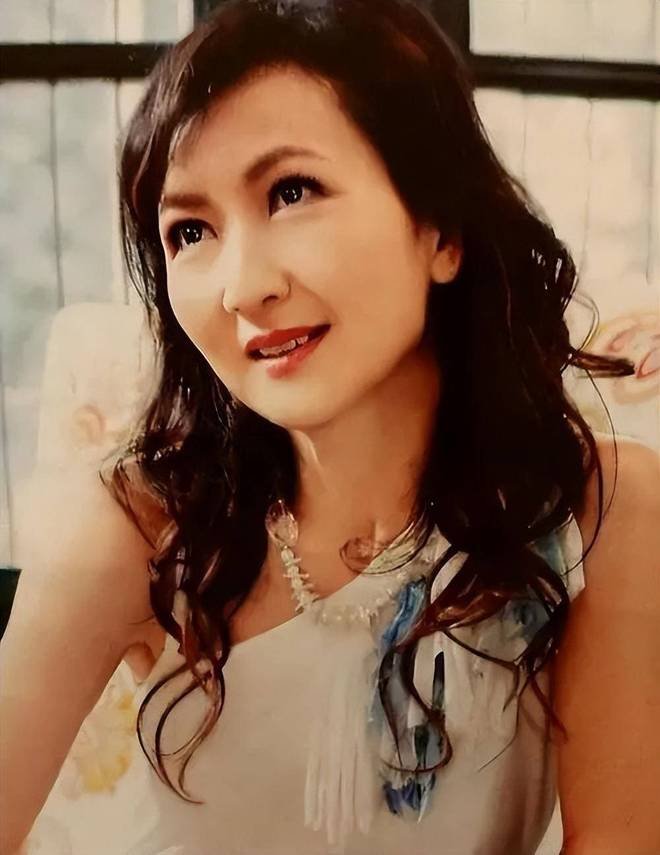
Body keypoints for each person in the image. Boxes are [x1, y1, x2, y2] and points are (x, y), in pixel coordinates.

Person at [2, 1, 659, 853]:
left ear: (442, 230)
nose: (243, 286)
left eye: (291, 191)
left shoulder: (601, 510)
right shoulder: (139, 525)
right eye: (190, 230)